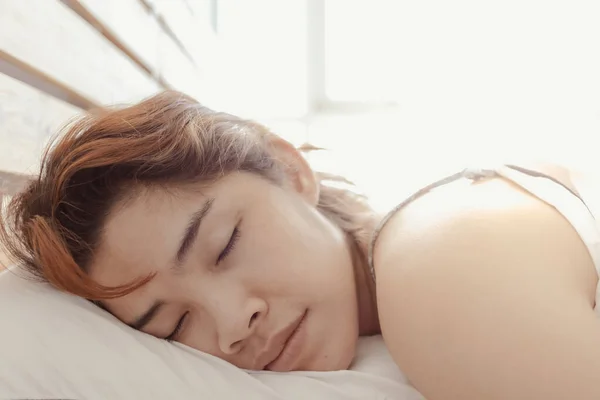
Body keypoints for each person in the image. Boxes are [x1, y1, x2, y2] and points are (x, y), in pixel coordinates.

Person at [2, 91, 600, 400]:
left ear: (291, 171)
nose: (234, 324)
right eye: (174, 327)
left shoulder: (432, 258)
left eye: (225, 244)